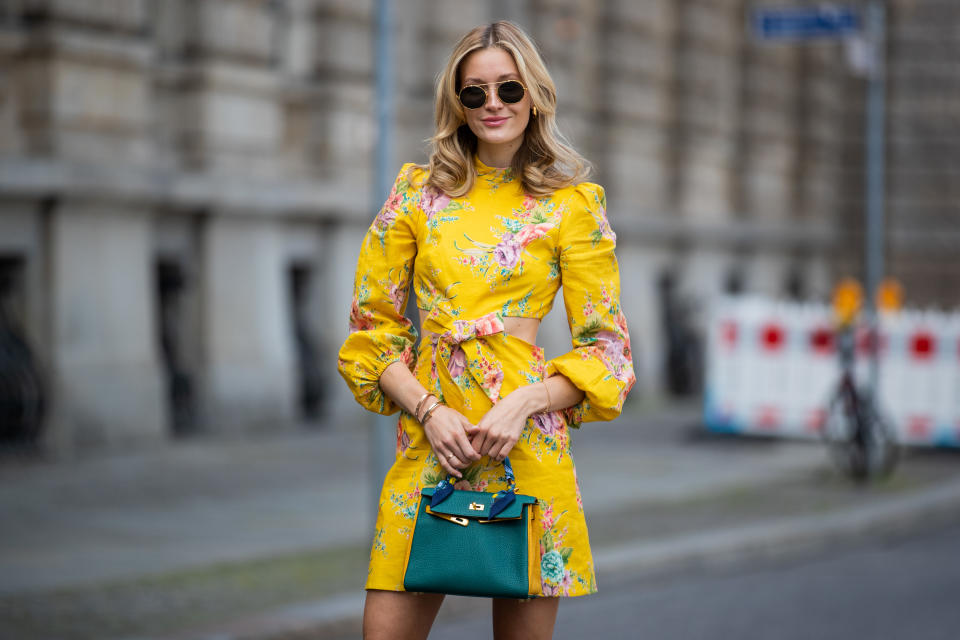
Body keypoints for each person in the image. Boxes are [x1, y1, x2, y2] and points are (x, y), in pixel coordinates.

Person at [337, 20, 635, 640]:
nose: (493, 104)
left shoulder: (572, 205)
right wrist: (428, 410)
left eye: (508, 89)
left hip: (525, 449)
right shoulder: (416, 196)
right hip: (430, 439)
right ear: (456, 101)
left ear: (535, 96)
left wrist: (525, 402)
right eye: (475, 92)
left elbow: (608, 354)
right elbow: (372, 333)